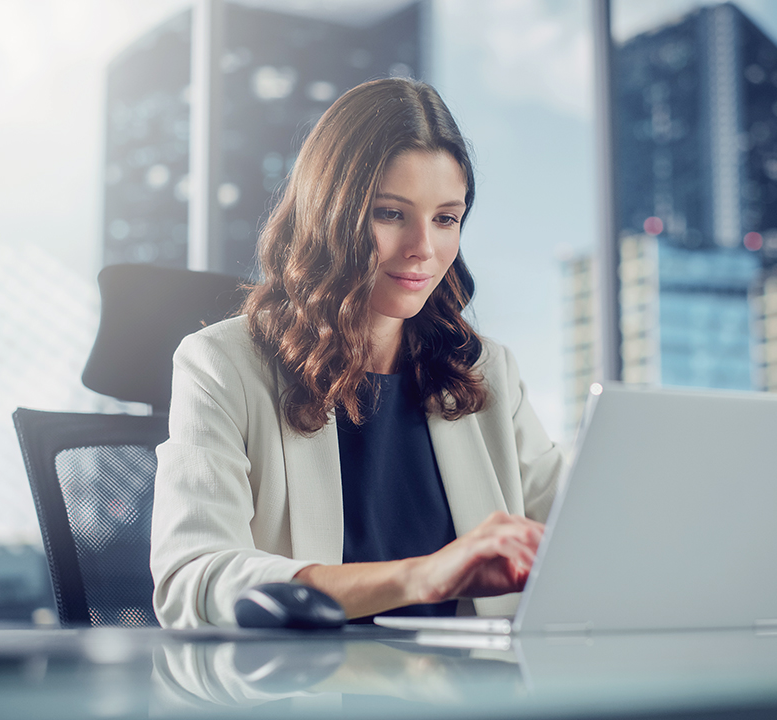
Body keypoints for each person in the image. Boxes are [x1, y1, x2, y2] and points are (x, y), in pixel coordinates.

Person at [150, 77, 563, 628]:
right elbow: (192, 579)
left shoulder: (486, 372)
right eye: (390, 213)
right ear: (329, 214)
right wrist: (419, 576)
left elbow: (582, 527)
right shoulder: (220, 365)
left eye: (446, 218)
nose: (423, 247)